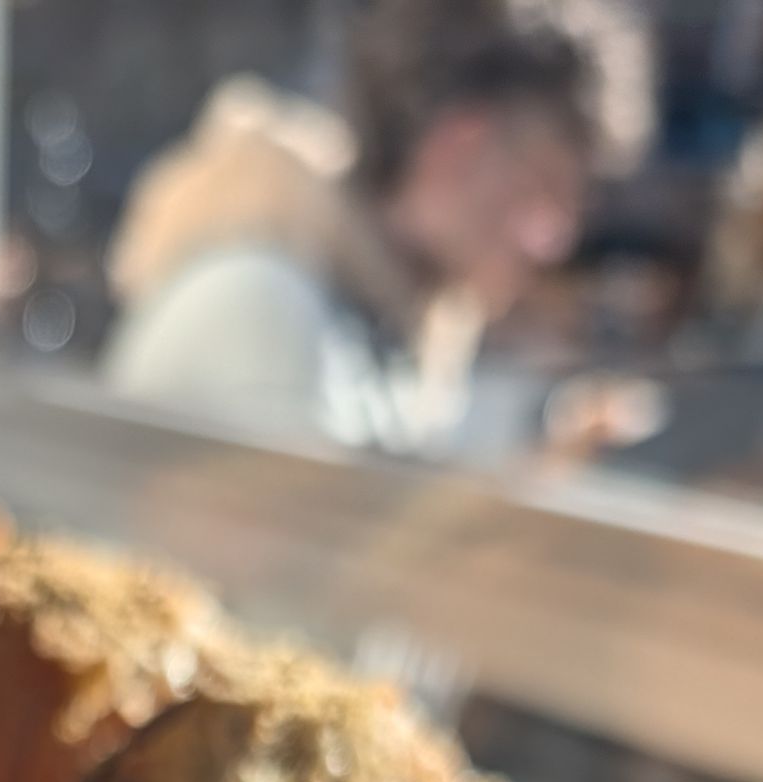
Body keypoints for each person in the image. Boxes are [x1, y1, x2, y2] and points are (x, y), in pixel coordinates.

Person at [102, 0, 654, 457]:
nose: (553, 240)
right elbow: (285, 563)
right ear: (462, 145)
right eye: (542, 189)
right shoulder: (266, 303)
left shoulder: (400, 323)